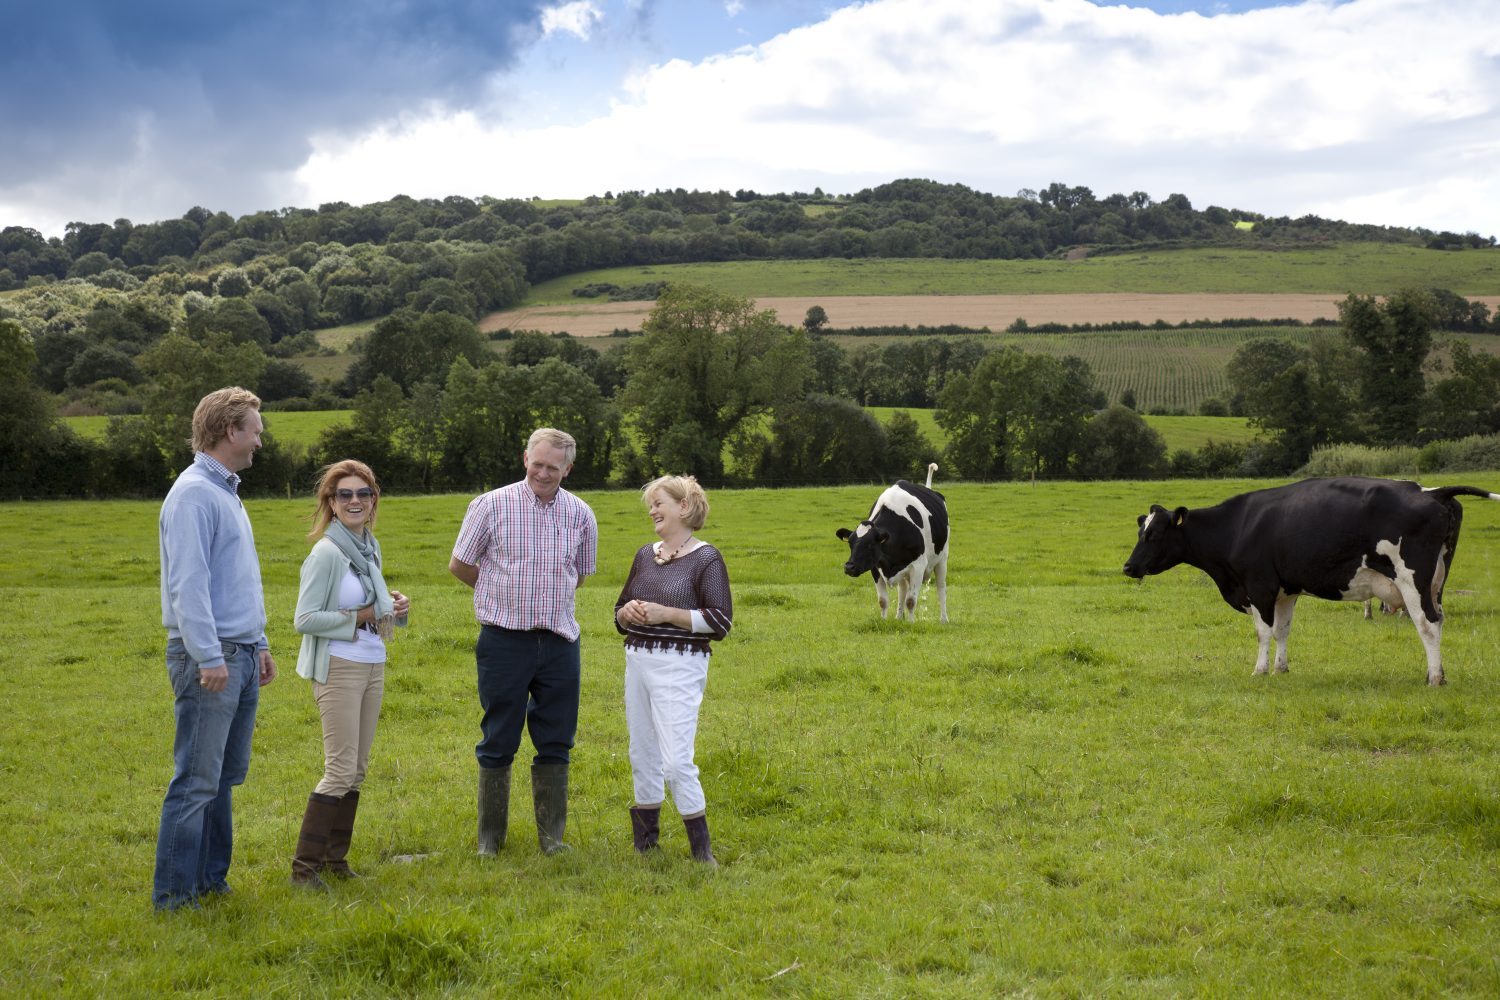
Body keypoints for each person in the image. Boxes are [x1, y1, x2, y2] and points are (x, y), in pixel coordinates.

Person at [154, 386, 278, 911]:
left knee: (224, 775)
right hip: (214, 656)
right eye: (255, 429)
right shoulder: (194, 494)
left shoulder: (224, 491)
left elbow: (235, 581)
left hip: (242, 651)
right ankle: (175, 897)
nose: (259, 439)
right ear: (230, 431)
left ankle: (209, 880)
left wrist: (260, 642)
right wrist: (208, 656)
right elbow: (189, 585)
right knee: (197, 779)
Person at [449, 428, 598, 855]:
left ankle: (552, 840)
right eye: (538, 463)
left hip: (559, 643)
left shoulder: (581, 514)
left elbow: (581, 574)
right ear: (524, 458)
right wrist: (498, 591)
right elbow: (460, 565)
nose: (544, 473)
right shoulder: (491, 505)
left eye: (554, 467)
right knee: (498, 736)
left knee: (556, 739)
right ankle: (489, 841)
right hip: (503, 642)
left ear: (567, 469)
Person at [290, 460, 409, 888]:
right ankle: (305, 870)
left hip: (372, 662)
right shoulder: (327, 552)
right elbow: (304, 619)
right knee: (339, 769)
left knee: (356, 769)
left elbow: (373, 608)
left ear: (374, 500)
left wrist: (393, 609)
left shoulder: (368, 547)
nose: (355, 501)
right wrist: (363, 614)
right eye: (345, 495)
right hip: (338, 665)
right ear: (331, 503)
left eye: (363, 493)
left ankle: (335, 862)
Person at [614, 475, 733, 865]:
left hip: (679, 666)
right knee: (642, 751)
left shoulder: (706, 558)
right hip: (637, 661)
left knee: (676, 759)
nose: (652, 510)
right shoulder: (644, 555)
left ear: (684, 508)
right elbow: (619, 614)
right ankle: (646, 845)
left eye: (659, 503)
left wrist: (669, 614)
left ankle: (703, 854)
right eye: (650, 504)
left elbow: (720, 621)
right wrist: (625, 612)